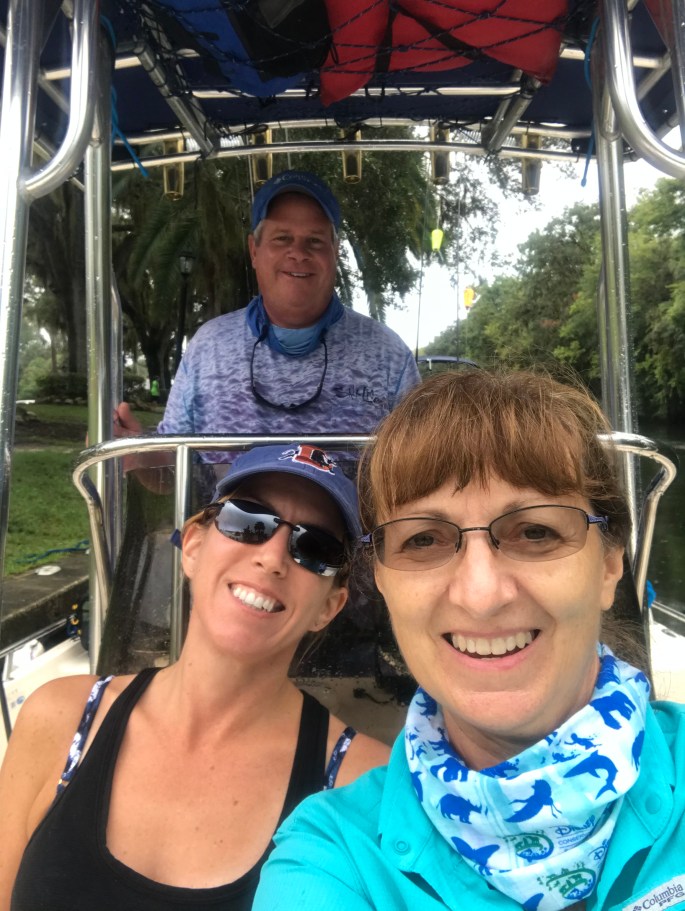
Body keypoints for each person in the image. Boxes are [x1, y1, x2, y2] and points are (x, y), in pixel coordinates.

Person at [254, 371, 685, 911]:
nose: (481, 596)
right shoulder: (332, 856)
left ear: (610, 564)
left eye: (535, 531)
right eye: (424, 539)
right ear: (382, 581)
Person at [0, 443, 390, 911]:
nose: (272, 558)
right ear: (193, 546)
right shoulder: (59, 719)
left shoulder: (364, 786)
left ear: (330, 606)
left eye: (315, 548)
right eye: (247, 520)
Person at [115, 169, 420, 473]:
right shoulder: (207, 347)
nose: (298, 253)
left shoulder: (389, 355)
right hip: (225, 509)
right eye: (282, 238)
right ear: (254, 251)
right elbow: (172, 471)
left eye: (315, 241)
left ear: (335, 252)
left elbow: (417, 473)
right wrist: (137, 455)